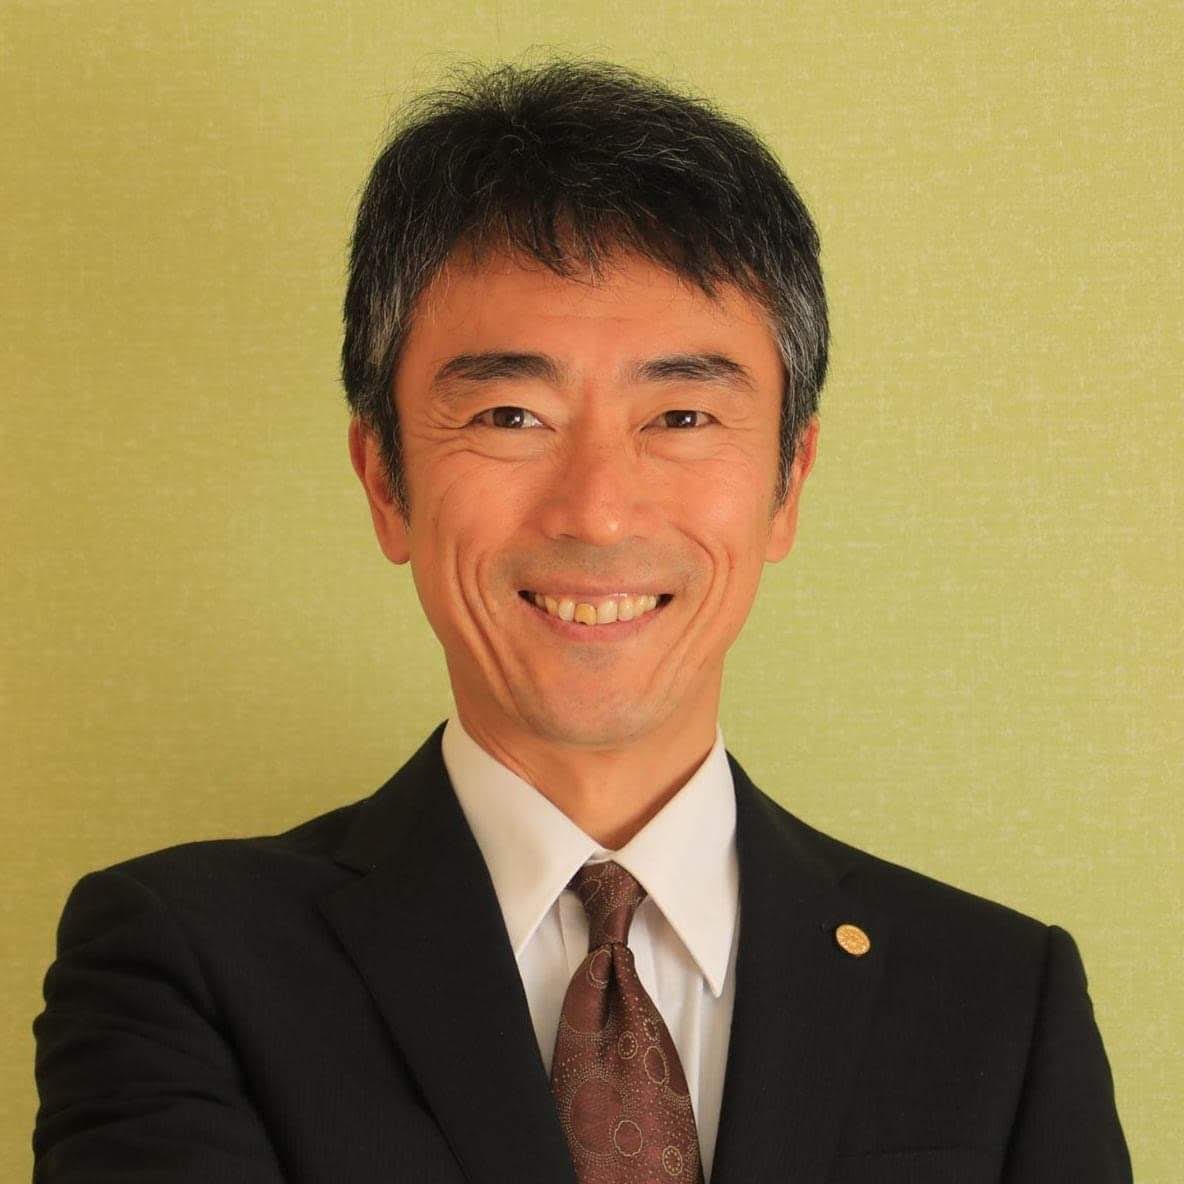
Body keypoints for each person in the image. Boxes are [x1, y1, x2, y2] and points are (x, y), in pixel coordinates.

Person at [32, 59, 1131, 1183]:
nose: (597, 511)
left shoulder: (999, 998)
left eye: (681, 415)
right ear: (385, 481)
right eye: (511, 414)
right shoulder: (183, 962)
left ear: (787, 483)